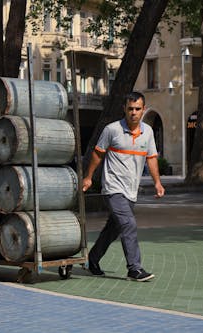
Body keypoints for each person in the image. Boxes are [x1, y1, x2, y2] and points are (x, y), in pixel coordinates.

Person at [82, 91, 165, 282]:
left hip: (131, 190)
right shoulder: (112, 130)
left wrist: (157, 182)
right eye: (130, 109)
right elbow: (98, 153)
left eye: (137, 109)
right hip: (113, 188)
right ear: (124, 109)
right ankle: (134, 269)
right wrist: (89, 177)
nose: (133, 113)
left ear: (143, 110)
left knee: (114, 228)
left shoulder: (148, 132)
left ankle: (92, 260)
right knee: (129, 224)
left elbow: (151, 159)